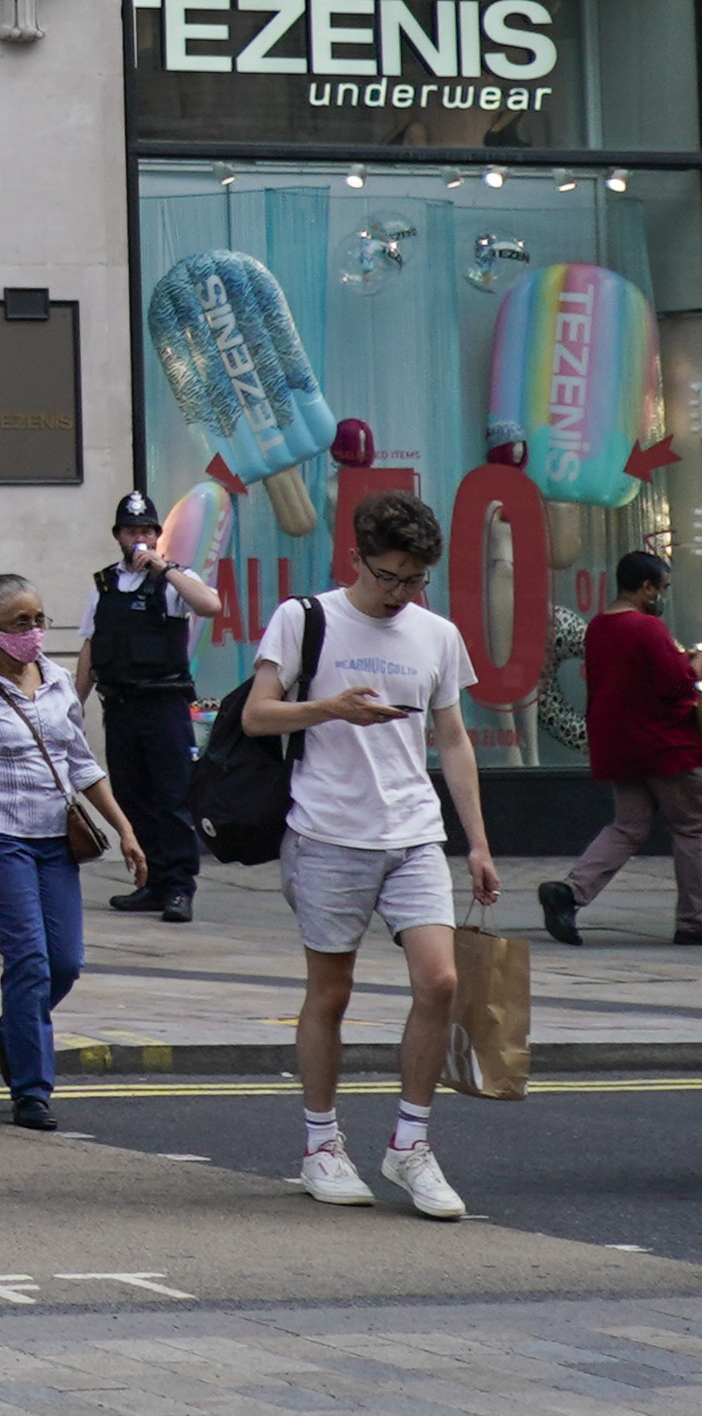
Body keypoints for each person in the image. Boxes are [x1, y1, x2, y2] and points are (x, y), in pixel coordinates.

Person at [248, 486, 499, 1219]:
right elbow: (261, 715)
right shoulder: (306, 620)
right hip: (328, 831)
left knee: (441, 982)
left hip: (414, 833)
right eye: (388, 575)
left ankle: (409, 1145)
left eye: (414, 579)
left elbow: (451, 739)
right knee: (332, 993)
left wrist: (479, 843)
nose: (398, 593)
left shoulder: (436, 635)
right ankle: (320, 1145)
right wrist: (331, 707)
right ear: (356, 557)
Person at [0, 572, 128, 1135]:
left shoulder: (61, 682)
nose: (35, 631)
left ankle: (7, 1033)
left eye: (40, 619)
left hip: (54, 840)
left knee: (65, 961)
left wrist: (126, 830)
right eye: (22, 622)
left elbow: (83, 764)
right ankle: (32, 1090)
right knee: (30, 961)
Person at [548, 550, 702, 946]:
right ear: (646, 587)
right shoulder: (648, 629)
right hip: (665, 747)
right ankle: (693, 921)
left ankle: (570, 893)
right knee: (692, 827)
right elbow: (676, 681)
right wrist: (696, 662)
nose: (663, 596)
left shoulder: (599, 627)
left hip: (620, 747)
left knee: (628, 826)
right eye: (662, 588)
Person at [88, 490, 228, 921]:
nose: (139, 538)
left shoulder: (173, 581)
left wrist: (165, 569)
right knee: (133, 797)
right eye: (132, 531)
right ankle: (150, 882)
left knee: (171, 799)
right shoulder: (105, 584)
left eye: (147, 530)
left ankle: (179, 888)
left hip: (164, 705)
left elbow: (211, 605)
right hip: (121, 706)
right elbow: (91, 646)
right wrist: (69, 705)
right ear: (119, 537)